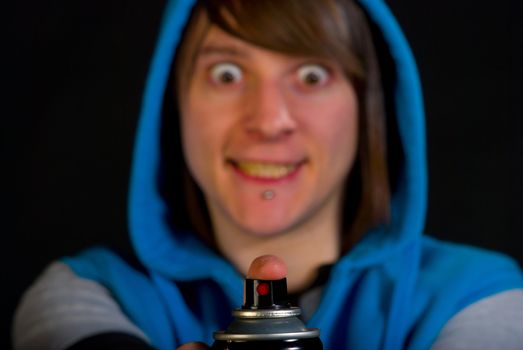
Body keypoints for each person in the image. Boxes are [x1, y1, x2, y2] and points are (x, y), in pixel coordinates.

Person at [13, 0, 523, 349]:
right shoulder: (83, 295)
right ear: (174, 106)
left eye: (311, 75)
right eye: (227, 74)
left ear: (369, 108)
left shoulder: (483, 299)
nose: (269, 119)